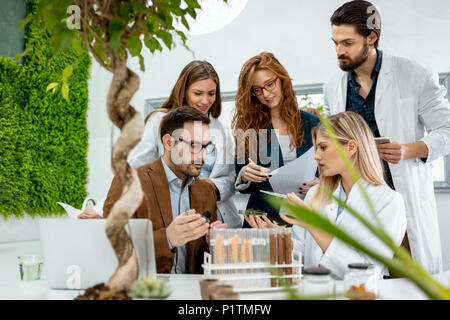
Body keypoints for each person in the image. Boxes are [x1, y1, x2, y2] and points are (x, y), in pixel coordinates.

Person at [323, 0, 450, 274]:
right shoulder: (333, 86)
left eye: (347, 43)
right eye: (334, 43)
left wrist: (409, 150)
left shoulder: (414, 74)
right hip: (355, 205)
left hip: (401, 203)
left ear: (372, 37)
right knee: (357, 281)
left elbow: (448, 130)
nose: (338, 52)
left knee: (407, 281)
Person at [245, 111, 407, 280]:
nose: (316, 156)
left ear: (351, 147)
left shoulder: (389, 202)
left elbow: (365, 271)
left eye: (323, 147)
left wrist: (315, 226)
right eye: (316, 149)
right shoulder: (316, 194)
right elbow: (302, 254)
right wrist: (279, 240)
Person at [80, 61, 241, 229]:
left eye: (211, 93)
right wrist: (101, 209)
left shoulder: (220, 130)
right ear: (184, 91)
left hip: (217, 219)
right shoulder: (160, 121)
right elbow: (134, 170)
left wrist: (212, 187)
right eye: (198, 93)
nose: (205, 100)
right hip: (176, 215)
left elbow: (229, 180)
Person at [103, 107, 227, 274]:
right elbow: (108, 246)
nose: (203, 156)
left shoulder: (206, 191)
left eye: (206, 147)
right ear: (169, 142)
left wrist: (213, 244)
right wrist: (167, 238)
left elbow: (201, 263)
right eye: (195, 146)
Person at [232, 52, 319, 226]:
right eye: (257, 90)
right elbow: (241, 176)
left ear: (282, 80)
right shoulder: (249, 128)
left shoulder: (312, 123)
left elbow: (326, 169)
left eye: (269, 84)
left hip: (303, 218)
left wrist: (319, 185)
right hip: (261, 220)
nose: (266, 94)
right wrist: (244, 175)